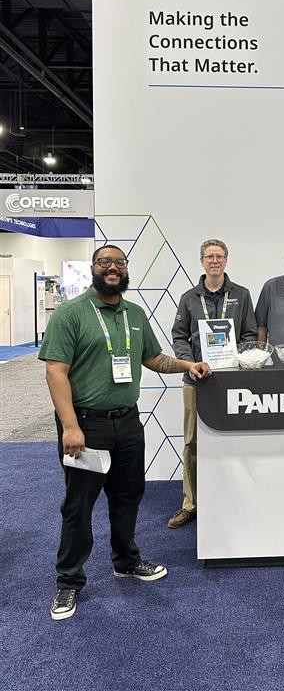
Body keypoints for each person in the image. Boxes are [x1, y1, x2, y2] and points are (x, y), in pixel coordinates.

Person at [39, 244, 212, 621]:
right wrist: (70, 425)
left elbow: (153, 358)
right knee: (79, 505)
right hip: (86, 425)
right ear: (93, 268)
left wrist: (188, 365)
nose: (113, 268)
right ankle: (69, 580)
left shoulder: (134, 313)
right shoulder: (71, 313)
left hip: (128, 422)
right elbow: (55, 371)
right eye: (105, 262)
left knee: (128, 496)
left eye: (119, 263)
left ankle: (126, 560)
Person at [169, 239, 257, 528]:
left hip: (232, 382)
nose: (215, 261)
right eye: (209, 256)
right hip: (195, 381)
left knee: (232, 441)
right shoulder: (189, 298)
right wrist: (189, 363)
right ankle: (190, 504)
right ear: (202, 261)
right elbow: (179, 336)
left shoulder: (242, 295)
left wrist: (235, 359)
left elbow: (250, 334)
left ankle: (232, 499)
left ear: (226, 261)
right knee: (192, 442)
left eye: (219, 256)